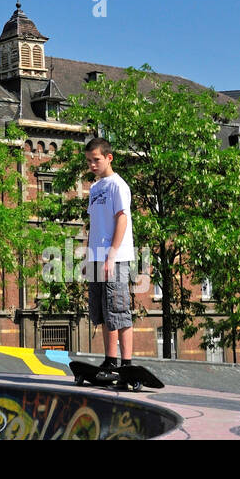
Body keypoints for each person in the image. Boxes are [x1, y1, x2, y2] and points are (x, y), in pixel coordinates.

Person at [83, 136, 135, 383]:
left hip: (116, 258)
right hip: (96, 258)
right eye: (89, 161)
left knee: (119, 310)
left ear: (108, 158)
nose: (92, 165)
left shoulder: (118, 185)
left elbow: (121, 219)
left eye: (97, 160)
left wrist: (111, 255)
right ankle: (110, 360)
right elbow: (94, 225)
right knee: (102, 312)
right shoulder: (94, 188)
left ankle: (126, 363)